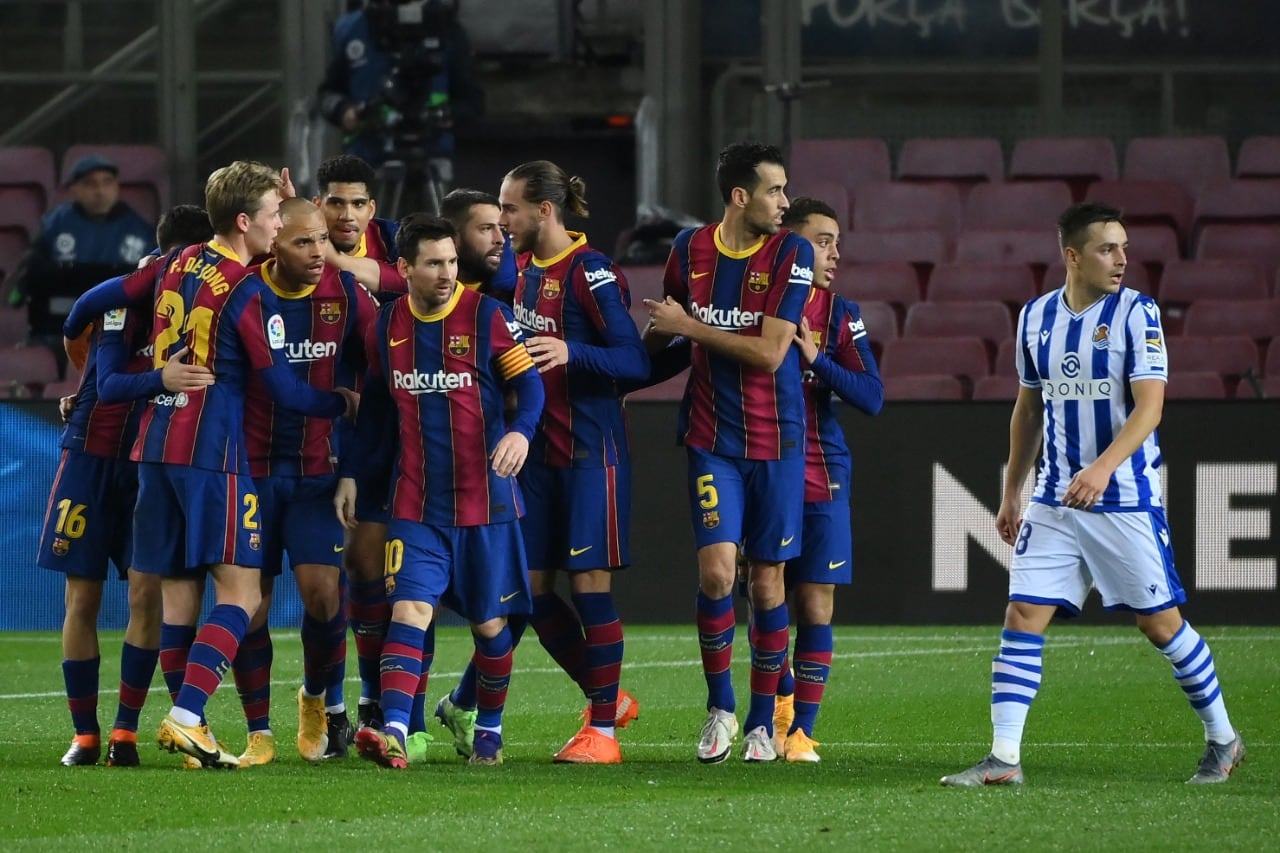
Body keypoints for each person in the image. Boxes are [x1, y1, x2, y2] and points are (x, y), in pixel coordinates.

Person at [941, 202, 1245, 787]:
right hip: (1054, 499)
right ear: (1072, 255)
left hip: (1122, 497)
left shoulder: (1138, 313)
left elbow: (1150, 406)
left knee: (1159, 625)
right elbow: (1028, 410)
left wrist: (1104, 468)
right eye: (1108, 248)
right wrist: (1011, 492)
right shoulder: (1034, 318)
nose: (1122, 259)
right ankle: (1004, 759)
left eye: (1125, 248)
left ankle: (1223, 738)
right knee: (1023, 613)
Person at [65, 160, 356, 769]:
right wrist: (341, 401)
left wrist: (78, 351)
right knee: (242, 593)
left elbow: (91, 304)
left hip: (154, 448)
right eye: (277, 217)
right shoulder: (247, 291)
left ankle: (182, 727)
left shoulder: (175, 261)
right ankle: (187, 715)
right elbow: (282, 389)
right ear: (247, 222)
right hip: (212, 453)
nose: (281, 227)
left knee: (176, 601)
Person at [439, 162, 650, 765]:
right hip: (535, 455)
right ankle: (604, 698)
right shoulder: (522, 272)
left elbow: (632, 363)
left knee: (589, 589)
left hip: (590, 455)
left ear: (543, 211)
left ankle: (602, 732)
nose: (501, 224)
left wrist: (571, 350)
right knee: (525, 590)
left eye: (509, 210)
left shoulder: (593, 272)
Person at [334, 214, 544, 769]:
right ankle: (397, 731)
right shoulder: (384, 327)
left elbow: (530, 383)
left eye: (452, 261)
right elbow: (377, 408)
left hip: (487, 502)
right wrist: (353, 471)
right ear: (403, 268)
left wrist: (521, 433)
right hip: (417, 504)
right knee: (408, 610)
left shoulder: (489, 317)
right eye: (433, 263)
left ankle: (489, 728)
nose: (447, 272)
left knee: (492, 628)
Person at [643, 141, 813, 763]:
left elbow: (770, 353)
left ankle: (763, 723)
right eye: (775, 191)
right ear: (741, 196)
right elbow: (665, 328)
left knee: (767, 583)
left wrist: (691, 329)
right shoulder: (689, 249)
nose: (785, 202)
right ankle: (720, 708)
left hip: (775, 440)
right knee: (717, 571)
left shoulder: (791, 252)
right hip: (711, 436)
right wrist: (618, 381)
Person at [38, 205, 214, 768]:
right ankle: (83, 735)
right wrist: (148, 379)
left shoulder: (200, 311)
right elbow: (109, 383)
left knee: (146, 595)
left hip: (149, 463)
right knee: (82, 596)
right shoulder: (121, 304)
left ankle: (124, 732)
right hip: (90, 458)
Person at [228, 198, 379, 766]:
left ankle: (316, 699)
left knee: (322, 592)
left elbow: (380, 376)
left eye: (322, 240)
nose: (318, 253)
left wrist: (354, 469)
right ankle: (258, 731)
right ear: (272, 243)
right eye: (302, 242)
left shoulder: (347, 296)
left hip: (318, 475)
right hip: (249, 471)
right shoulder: (244, 292)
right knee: (253, 606)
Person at [769, 197, 883, 762]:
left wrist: (818, 359)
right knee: (765, 594)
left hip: (823, 469)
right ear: (788, 244)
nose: (834, 253)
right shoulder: (756, 303)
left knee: (815, 603)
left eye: (837, 240)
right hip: (763, 464)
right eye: (822, 240)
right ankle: (778, 702)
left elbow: (871, 397)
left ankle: (800, 732)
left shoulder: (840, 314)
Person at [7, 155, 155, 375]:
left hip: (120, 333)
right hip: (57, 334)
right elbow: (19, 291)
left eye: (107, 182)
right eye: (90, 184)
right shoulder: (54, 227)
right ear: (74, 190)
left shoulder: (140, 231)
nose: (100, 191)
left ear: (116, 187)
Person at [315, 0, 484, 177]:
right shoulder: (351, 29)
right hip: (367, 161)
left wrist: (446, 115)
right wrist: (344, 111)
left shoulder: (444, 27)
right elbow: (327, 94)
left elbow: (473, 102)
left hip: (430, 158)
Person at [312, 154, 406, 296]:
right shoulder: (295, 246)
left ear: (371, 210)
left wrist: (339, 261)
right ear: (317, 206)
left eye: (358, 204)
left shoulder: (393, 238)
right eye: (336, 203)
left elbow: (421, 282)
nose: (347, 216)